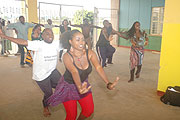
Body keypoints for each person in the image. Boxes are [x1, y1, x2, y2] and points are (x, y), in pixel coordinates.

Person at [47, 29, 119, 120]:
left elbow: (98, 67)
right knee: (71, 116)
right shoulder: (67, 56)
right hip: (69, 87)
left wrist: (108, 83)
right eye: (78, 40)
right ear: (70, 42)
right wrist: (79, 87)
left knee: (88, 111)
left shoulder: (90, 53)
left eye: (83, 39)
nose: (82, 42)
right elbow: (74, 71)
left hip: (84, 85)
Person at [0, 28, 62, 117]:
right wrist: (5, 36)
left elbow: (70, 43)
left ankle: (52, 89)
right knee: (49, 94)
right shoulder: (38, 44)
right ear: (42, 36)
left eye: (51, 33)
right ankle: (45, 106)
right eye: (47, 34)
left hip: (52, 71)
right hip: (41, 74)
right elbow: (22, 41)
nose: (50, 36)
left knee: (62, 85)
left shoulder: (56, 43)